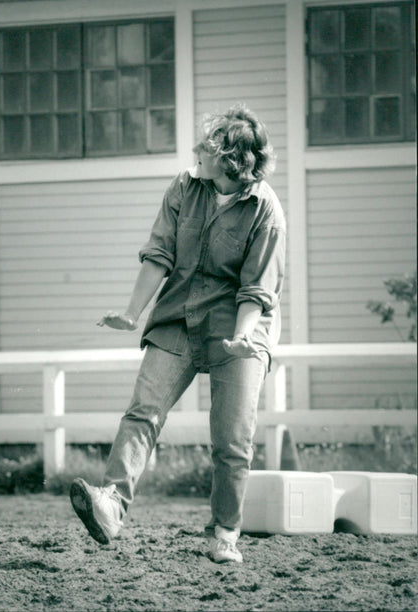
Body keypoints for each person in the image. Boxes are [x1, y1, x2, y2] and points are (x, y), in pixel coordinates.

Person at [69, 104, 286, 564]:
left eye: (205, 148)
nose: (195, 152)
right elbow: (160, 255)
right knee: (143, 412)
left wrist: (244, 336)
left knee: (231, 439)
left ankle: (225, 532)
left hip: (239, 323)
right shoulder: (185, 186)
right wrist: (131, 313)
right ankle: (111, 504)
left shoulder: (266, 210)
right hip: (180, 315)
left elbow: (256, 287)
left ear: (230, 161)